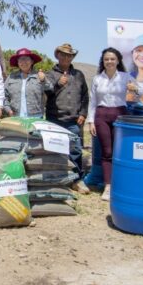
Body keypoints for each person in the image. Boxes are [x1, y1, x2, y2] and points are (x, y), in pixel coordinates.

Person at [87, 47, 142, 201]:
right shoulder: (97, 79)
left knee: (120, 151)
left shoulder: (126, 77)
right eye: (106, 59)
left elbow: (140, 94)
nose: (109, 61)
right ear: (103, 61)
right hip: (101, 116)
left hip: (120, 115)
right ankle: (108, 186)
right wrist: (91, 121)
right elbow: (93, 102)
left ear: (118, 61)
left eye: (112, 59)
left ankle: (121, 184)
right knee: (107, 152)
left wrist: (134, 89)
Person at [45, 43, 90, 194]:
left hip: (73, 120)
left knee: (75, 150)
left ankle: (76, 180)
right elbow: (46, 93)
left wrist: (83, 113)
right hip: (54, 119)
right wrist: (58, 84)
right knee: (54, 151)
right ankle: (57, 179)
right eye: (63, 54)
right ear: (57, 55)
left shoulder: (79, 75)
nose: (66, 57)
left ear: (72, 57)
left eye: (69, 55)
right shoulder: (50, 74)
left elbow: (85, 96)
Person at [3, 48, 52, 118]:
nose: (23, 62)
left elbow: (50, 89)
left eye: (26, 59)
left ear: (32, 61)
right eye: (20, 60)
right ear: (18, 62)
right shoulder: (11, 77)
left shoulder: (39, 75)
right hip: (16, 117)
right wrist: (8, 110)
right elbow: (4, 96)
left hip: (36, 117)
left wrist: (44, 80)